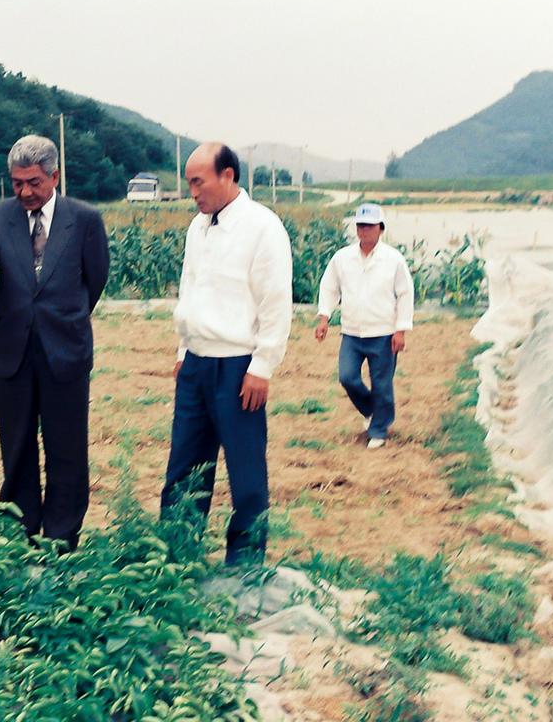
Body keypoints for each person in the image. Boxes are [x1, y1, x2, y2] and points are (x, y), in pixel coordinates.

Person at [0, 134, 110, 551]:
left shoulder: (84, 219)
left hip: (66, 351)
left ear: (54, 176)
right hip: (13, 352)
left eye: (33, 183)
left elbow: (94, 279)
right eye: (17, 183)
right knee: (18, 445)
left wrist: (65, 315)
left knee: (66, 449)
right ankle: (19, 531)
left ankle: (62, 538)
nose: (25, 191)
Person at [161, 142, 293, 566]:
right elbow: (191, 289)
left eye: (198, 182)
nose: (193, 192)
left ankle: (245, 566)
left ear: (228, 176)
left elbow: (275, 301)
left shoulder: (262, 227)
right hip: (197, 363)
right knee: (185, 467)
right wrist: (185, 347)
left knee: (245, 472)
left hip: (239, 366)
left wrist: (263, 365)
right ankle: (177, 555)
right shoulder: (197, 229)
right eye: (189, 183)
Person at [314, 202, 414, 449]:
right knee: (347, 377)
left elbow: (405, 294)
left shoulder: (393, 260)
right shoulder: (342, 258)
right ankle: (373, 411)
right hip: (352, 332)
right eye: (360, 226)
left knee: (382, 383)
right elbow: (329, 287)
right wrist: (324, 317)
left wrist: (400, 330)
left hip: (383, 333)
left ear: (381, 229)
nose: (364, 231)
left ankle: (378, 430)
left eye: (370, 226)